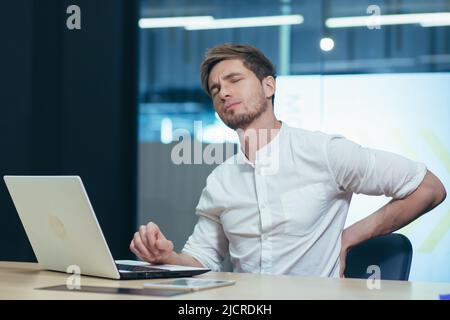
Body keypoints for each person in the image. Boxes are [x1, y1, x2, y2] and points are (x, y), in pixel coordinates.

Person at [130, 44, 446, 277]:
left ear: (269, 85)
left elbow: (429, 188)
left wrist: (350, 236)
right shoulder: (221, 181)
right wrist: (168, 256)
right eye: (215, 89)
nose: (223, 92)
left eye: (234, 80)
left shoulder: (324, 152)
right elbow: (203, 259)